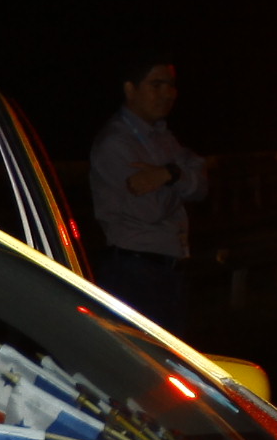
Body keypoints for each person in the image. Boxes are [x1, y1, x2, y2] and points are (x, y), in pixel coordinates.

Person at [86, 53, 206, 331]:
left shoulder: (162, 136)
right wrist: (180, 177)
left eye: (171, 85)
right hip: (133, 271)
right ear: (130, 89)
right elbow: (149, 210)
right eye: (156, 85)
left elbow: (202, 185)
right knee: (140, 363)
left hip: (167, 269)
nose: (168, 93)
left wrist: (168, 174)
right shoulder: (115, 143)